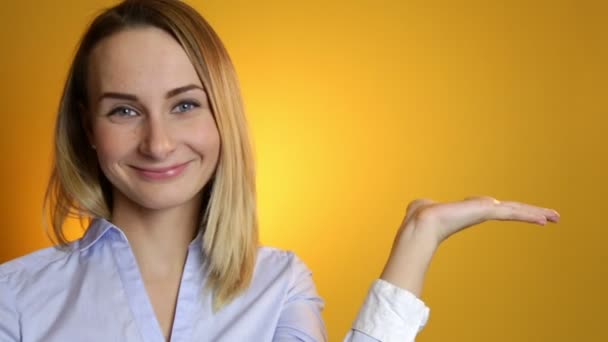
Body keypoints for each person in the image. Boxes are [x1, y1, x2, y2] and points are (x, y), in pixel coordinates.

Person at [0, 0, 559, 341]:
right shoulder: (14, 297)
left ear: (223, 115)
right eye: (124, 110)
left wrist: (417, 241)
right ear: (86, 127)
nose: (159, 141)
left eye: (186, 104)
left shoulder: (280, 283)